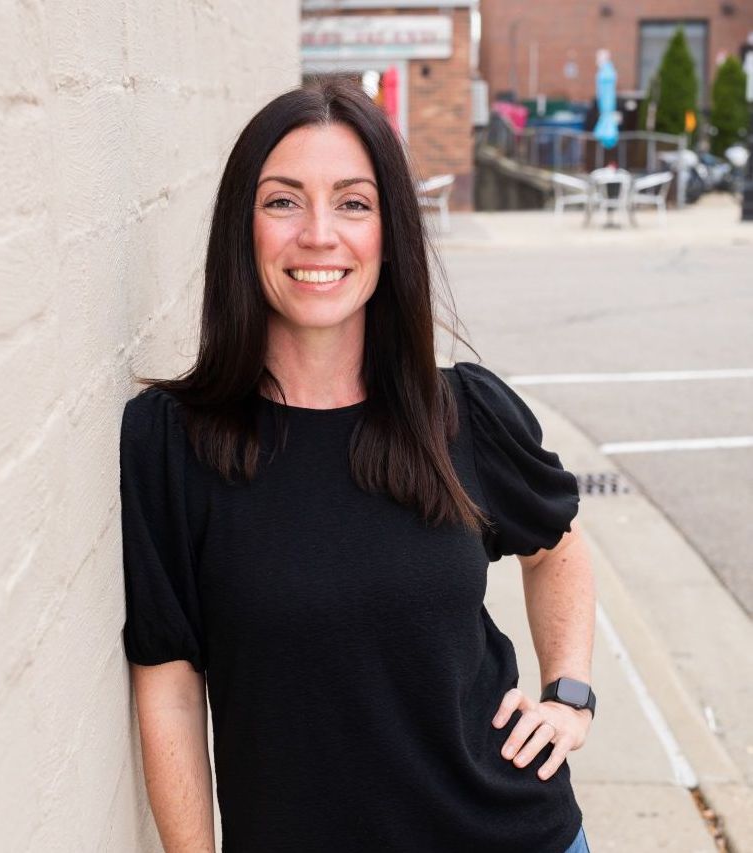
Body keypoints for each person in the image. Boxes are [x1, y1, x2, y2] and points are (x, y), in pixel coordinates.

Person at [119, 79, 595, 853]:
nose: (318, 234)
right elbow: (169, 682)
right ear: (242, 227)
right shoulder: (171, 443)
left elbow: (559, 547)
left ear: (389, 232)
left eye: (352, 202)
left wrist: (568, 695)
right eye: (282, 202)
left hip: (511, 834)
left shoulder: (463, 413)